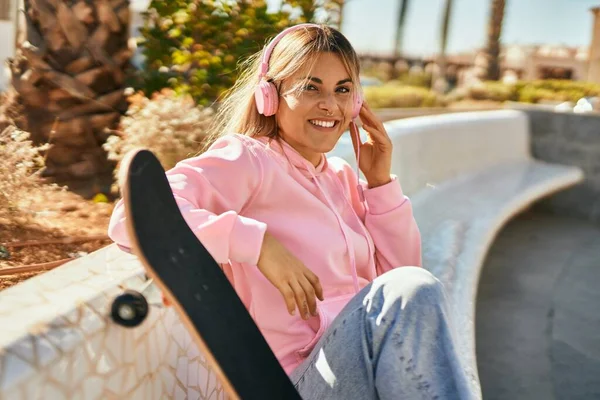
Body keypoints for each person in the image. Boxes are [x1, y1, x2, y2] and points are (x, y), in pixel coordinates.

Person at [108, 23, 478, 399]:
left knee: (414, 287)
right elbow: (136, 215)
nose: (330, 105)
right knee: (412, 289)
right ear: (269, 96)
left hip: (357, 375)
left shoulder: (342, 178)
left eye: (343, 90)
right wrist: (258, 244)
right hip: (294, 383)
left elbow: (401, 291)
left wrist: (380, 184)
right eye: (311, 87)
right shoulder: (249, 159)